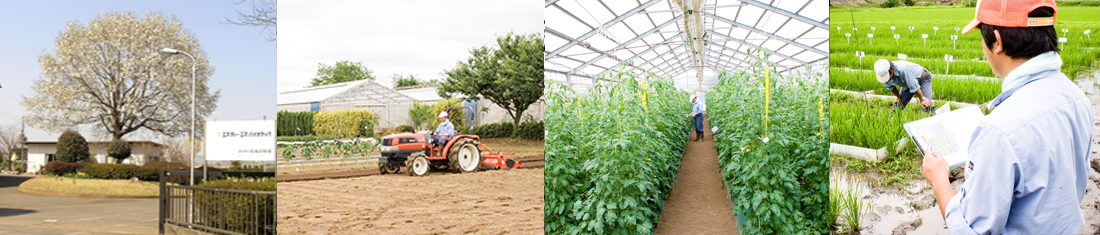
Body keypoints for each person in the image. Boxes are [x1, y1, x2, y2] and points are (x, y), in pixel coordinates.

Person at [921, 1, 1094, 234]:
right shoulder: (1076, 97)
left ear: (997, 42)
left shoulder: (999, 131)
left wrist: (939, 179)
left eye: (981, 38)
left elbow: (970, 230)